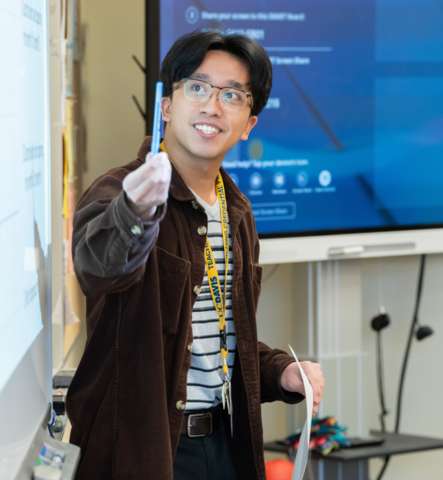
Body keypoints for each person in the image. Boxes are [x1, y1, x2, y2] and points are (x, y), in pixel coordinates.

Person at [66, 29, 325, 480]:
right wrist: (135, 212)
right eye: (198, 88)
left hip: (225, 448)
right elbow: (96, 267)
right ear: (166, 105)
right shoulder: (120, 190)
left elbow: (217, 348)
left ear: (248, 124)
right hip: (143, 453)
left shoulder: (236, 210)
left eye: (233, 95)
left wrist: (281, 371)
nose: (212, 106)